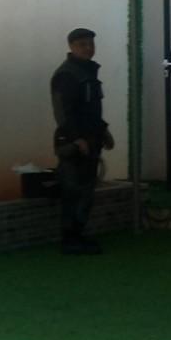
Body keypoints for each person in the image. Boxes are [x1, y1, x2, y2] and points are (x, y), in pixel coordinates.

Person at [51, 27, 114, 254]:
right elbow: (62, 111)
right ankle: (70, 239)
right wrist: (76, 138)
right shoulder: (67, 74)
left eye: (91, 44)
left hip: (90, 140)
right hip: (74, 144)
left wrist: (103, 131)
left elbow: (91, 110)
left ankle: (78, 235)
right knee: (73, 190)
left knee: (86, 190)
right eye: (83, 44)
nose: (88, 48)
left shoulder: (87, 72)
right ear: (71, 47)